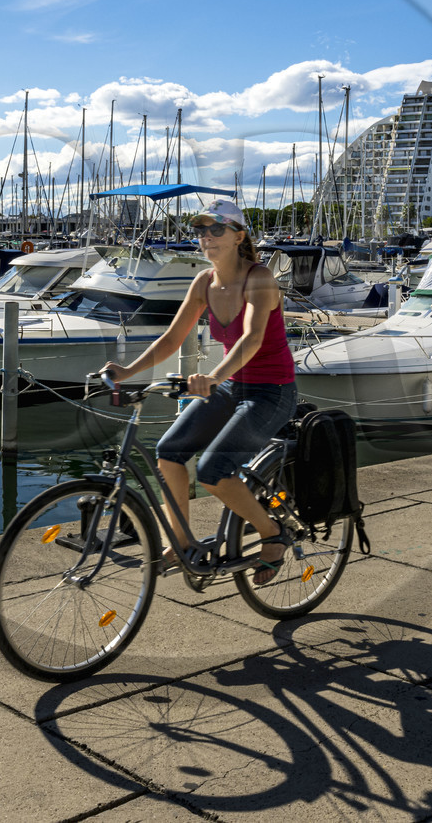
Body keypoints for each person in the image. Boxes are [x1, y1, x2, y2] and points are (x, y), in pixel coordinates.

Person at [102, 198, 297, 585]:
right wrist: (127, 372)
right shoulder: (204, 282)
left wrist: (212, 376)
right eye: (200, 230)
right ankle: (180, 542)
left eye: (217, 229)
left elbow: (253, 338)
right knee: (169, 453)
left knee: (213, 470)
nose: (206, 236)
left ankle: (273, 534)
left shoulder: (259, 277)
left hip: (271, 392)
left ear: (239, 235)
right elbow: (173, 337)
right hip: (230, 386)